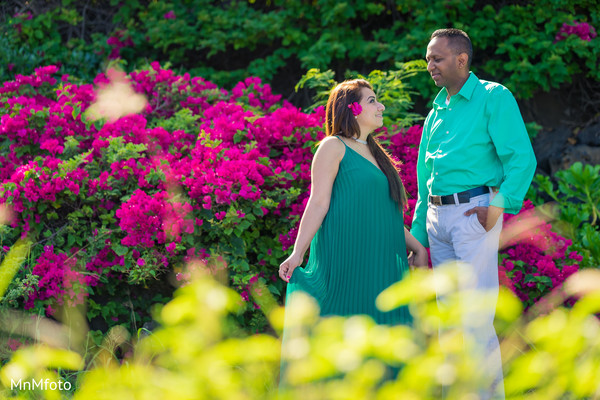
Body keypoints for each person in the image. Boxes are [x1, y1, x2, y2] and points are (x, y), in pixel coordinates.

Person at [410, 28, 537, 399]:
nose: (429, 64)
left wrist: (498, 206)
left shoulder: (493, 97)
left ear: (461, 60)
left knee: (475, 319)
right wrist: (418, 236)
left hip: (473, 216)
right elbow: (425, 181)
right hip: (437, 221)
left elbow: (521, 158)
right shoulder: (435, 111)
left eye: (437, 58)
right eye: (428, 57)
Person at [278, 79, 427, 376]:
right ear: (352, 108)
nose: (381, 106)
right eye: (372, 100)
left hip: (381, 265)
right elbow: (318, 203)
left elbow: (383, 215)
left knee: (384, 335)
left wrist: (417, 247)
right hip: (347, 259)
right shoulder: (333, 146)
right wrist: (298, 253)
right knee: (343, 329)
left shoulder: (375, 153)